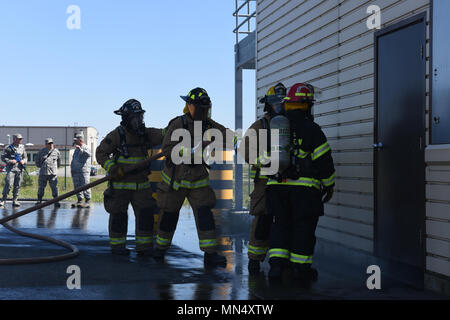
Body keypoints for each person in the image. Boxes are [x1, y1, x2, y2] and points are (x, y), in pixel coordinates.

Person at [154, 87, 235, 267]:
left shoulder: (209, 125)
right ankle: (160, 250)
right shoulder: (178, 124)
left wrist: (241, 142)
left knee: (205, 214)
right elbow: (167, 149)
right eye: (199, 107)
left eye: (205, 108)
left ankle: (210, 254)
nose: (203, 111)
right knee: (169, 215)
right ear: (189, 106)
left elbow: (228, 136)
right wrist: (192, 149)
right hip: (175, 179)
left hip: (198, 178)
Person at [266, 83, 335, 286]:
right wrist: (329, 185)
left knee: (280, 225)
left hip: (276, 186)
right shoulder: (312, 130)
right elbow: (324, 161)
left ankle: (276, 267)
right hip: (304, 191)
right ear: (306, 104)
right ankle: (300, 269)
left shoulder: (275, 127)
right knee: (303, 228)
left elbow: (263, 158)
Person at [96, 99, 165, 256]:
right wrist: (112, 168)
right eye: (135, 117)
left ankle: (144, 248)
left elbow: (164, 134)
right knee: (119, 216)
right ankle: (118, 247)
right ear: (126, 118)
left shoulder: (146, 134)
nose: (139, 121)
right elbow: (100, 153)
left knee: (146, 216)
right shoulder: (117, 135)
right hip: (121, 185)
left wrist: (178, 127)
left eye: (140, 117)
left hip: (142, 185)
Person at [241, 83, 287, 275]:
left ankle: (282, 262)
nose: (280, 107)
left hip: (287, 181)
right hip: (265, 182)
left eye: (283, 103)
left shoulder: (288, 124)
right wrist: (265, 162)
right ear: (268, 104)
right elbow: (244, 150)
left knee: (285, 221)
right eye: (276, 103)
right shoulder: (260, 126)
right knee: (263, 221)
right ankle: (255, 260)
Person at [0, 134, 27, 207]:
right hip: (11, 169)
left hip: (19, 169)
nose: (21, 140)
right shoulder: (8, 148)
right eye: (19, 139)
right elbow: (3, 158)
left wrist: (23, 161)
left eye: (21, 139)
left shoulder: (22, 147)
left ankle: (15, 200)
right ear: (14, 139)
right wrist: (10, 161)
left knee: (17, 185)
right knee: (8, 184)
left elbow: (25, 157)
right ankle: (3, 200)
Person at [35, 138, 61, 207]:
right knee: (41, 187)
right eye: (49, 143)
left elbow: (59, 162)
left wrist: (55, 168)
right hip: (43, 173)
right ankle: (39, 200)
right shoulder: (41, 151)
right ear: (46, 144)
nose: (51, 144)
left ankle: (56, 200)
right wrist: (41, 166)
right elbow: (37, 161)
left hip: (52, 173)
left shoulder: (56, 151)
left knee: (54, 187)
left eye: (52, 143)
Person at [70, 132, 92, 208]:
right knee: (77, 186)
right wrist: (72, 169)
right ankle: (79, 200)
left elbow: (89, 154)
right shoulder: (76, 149)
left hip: (84, 171)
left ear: (80, 140)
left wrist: (81, 149)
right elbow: (74, 160)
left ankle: (87, 201)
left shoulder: (86, 147)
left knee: (85, 185)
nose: (75, 142)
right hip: (76, 171)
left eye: (76, 140)